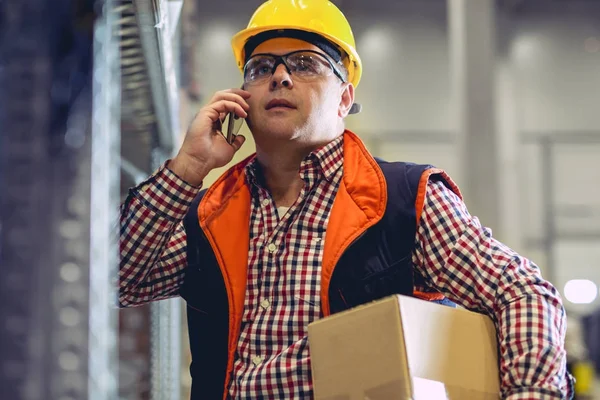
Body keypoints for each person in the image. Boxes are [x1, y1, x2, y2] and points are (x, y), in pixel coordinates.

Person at [119, 0, 574, 398]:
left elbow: (522, 292)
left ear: (345, 98)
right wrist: (188, 169)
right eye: (261, 68)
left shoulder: (406, 203)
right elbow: (120, 280)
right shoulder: (209, 214)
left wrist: (531, 393)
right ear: (241, 99)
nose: (279, 76)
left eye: (305, 63)